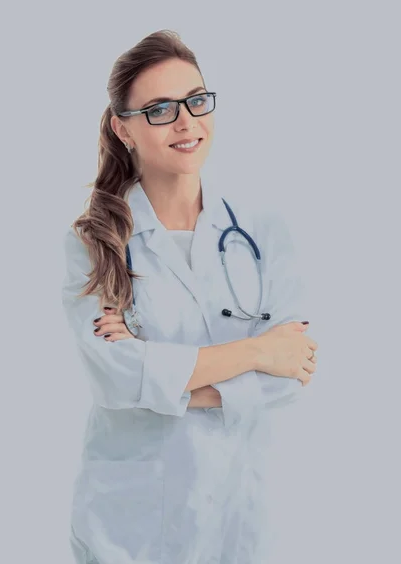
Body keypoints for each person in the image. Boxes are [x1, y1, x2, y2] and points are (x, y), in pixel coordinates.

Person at [61, 29, 318, 564]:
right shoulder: (95, 241)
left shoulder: (264, 232)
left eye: (196, 100)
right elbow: (114, 378)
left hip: (242, 517)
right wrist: (256, 351)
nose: (186, 121)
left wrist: (160, 380)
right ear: (122, 128)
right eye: (159, 108)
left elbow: (292, 376)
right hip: (128, 527)